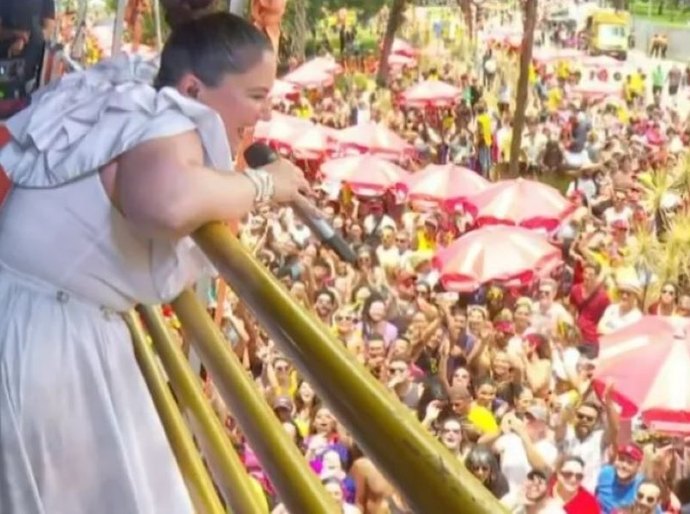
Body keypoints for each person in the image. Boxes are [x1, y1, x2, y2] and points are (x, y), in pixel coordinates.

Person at [0, 12, 308, 514]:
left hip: (39, 318)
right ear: (193, 86)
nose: (266, 112)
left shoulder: (136, 91)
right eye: (255, 96)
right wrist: (268, 185)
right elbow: (165, 203)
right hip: (45, 338)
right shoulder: (166, 120)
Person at [0, 0, 55, 83]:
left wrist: (25, 39)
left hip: (33, 64)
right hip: (5, 59)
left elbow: (48, 29)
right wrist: (16, 35)